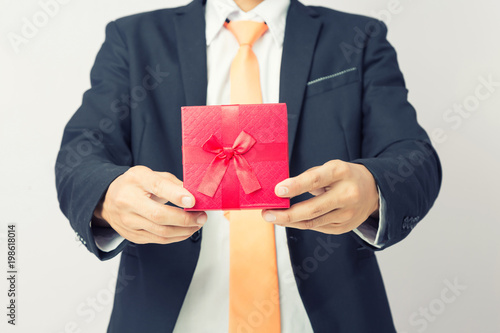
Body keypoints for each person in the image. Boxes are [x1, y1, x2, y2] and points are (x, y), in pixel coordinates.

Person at [55, 0, 442, 332]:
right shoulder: (133, 37)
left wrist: (373, 187)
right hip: (169, 312)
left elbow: (414, 156)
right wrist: (107, 196)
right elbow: (82, 152)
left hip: (328, 312)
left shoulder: (358, 36)